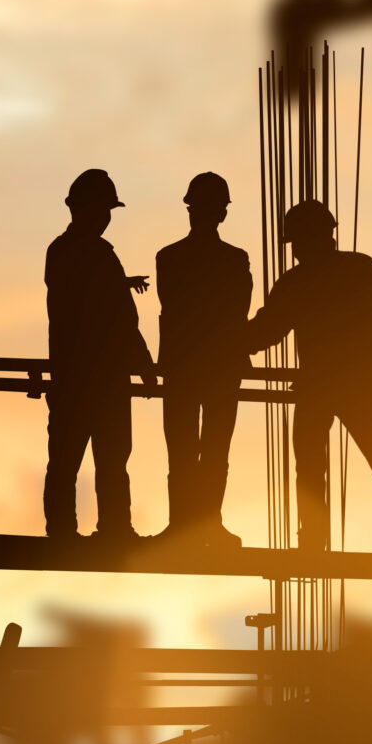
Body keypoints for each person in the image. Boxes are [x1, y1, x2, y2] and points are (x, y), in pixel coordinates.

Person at [238, 199, 372, 553]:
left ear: (311, 238)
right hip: (354, 384)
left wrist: (226, 341)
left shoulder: (299, 281)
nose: (295, 250)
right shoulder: (358, 268)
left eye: (296, 242)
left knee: (312, 464)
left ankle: (313, 539)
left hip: (323, 385)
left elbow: (266, 331)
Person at [44, 168, 155, 542]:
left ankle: (91, 529)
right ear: (80, 208)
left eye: (108, 211)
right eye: (102, 209)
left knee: (102, 458)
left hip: (86, 378)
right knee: (75, 459)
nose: (105, 218)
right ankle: (96, 530)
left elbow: (110, 308)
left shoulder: (77, 253)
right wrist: (144, 364)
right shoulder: (83, 254)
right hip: (91, 378)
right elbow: (117, 317)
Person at [156, 172, 252, 546]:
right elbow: (236, 312)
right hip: (218, 369)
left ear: (190, 210)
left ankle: (184, 522)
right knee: (213, 448)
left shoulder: (169, 257)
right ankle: (203, 522)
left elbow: (174, 306)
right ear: (222, 214)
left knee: (184, 448)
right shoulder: (235, 260)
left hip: (184, 367)